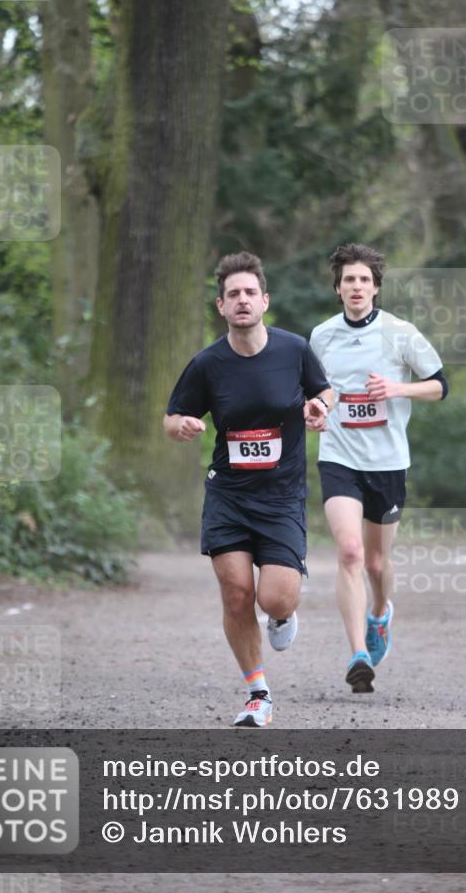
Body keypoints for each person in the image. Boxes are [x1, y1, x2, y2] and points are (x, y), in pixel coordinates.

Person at [164, 252, 333, 727]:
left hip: (281, 497)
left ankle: (281, 616)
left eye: (249, 293)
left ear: (265, 301)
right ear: (221, 305)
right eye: (233, 294)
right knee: (237, 593)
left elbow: (325, 390)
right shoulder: (207, 364)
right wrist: (181, 426)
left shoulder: (293, 350)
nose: (242, 301)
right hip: (229, 495)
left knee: (274, 599)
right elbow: (172, 416)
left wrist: (320, 405)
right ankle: (258, 693)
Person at [309, 243, 448, 693]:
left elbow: (440, 386)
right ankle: (358, 654)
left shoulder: (400, 333)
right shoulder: (322, 337)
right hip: (338, 455)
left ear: (376, 288)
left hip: (387, 461)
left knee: (375, 560)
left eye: (364, 280)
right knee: (349, 552)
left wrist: (396, 389)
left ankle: (380, 613)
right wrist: (313, 409)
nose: (356, 286)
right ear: (337, 289)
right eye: (349, 279)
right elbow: (312, 391)